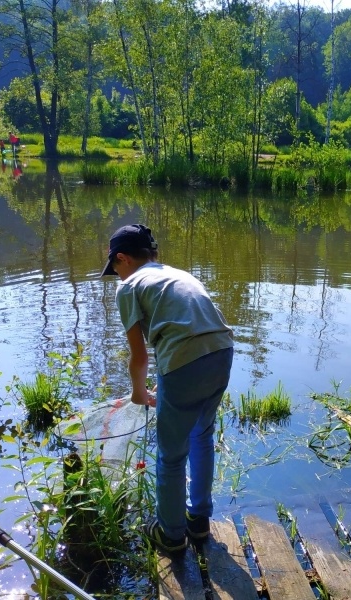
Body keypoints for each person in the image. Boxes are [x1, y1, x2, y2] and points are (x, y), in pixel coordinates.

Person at [100, 224, 234, 554]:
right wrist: (168, 382)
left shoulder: (129, 286)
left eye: (115, 269)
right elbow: (189, 331)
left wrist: (137, 392)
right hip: (222, 352)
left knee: (171, 456)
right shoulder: (177, 275)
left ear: (122, 259)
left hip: (185, 361)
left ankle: (171, 535)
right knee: (201, 437)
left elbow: (140, 354)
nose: (117, 276)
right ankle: (199, 522)